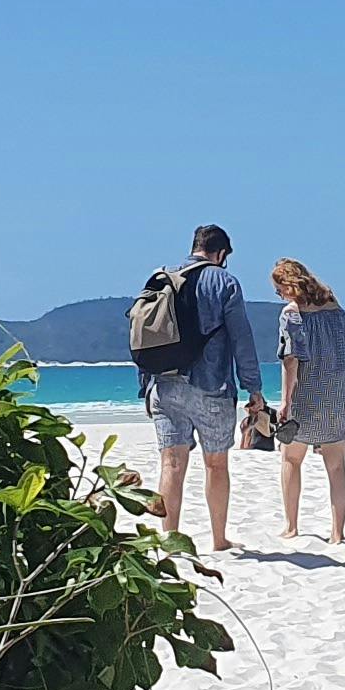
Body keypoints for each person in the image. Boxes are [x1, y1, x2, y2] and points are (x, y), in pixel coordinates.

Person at [143, 225, 260, 552]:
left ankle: (169, 540)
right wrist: (254, 388)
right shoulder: (225, 282)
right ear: (221, 254)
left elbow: (146, 336)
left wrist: (146, 385)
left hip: (164, 384)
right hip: (211, 386)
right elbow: (241, 339)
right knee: (216, 464)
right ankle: (219, 540)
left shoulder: (160, 277)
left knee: (171, 463)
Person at [269, 257, 345, 541]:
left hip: (307, 395)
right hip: (339, 394)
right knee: (336, 465)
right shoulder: (336, 310)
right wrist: (336, 363)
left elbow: (291, 360)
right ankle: (338, 533)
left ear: (289, 285)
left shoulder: (292, 314)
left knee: (291, 459)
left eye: (279, 289)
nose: (279, 295)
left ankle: (292, 526)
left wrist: (285, 401)